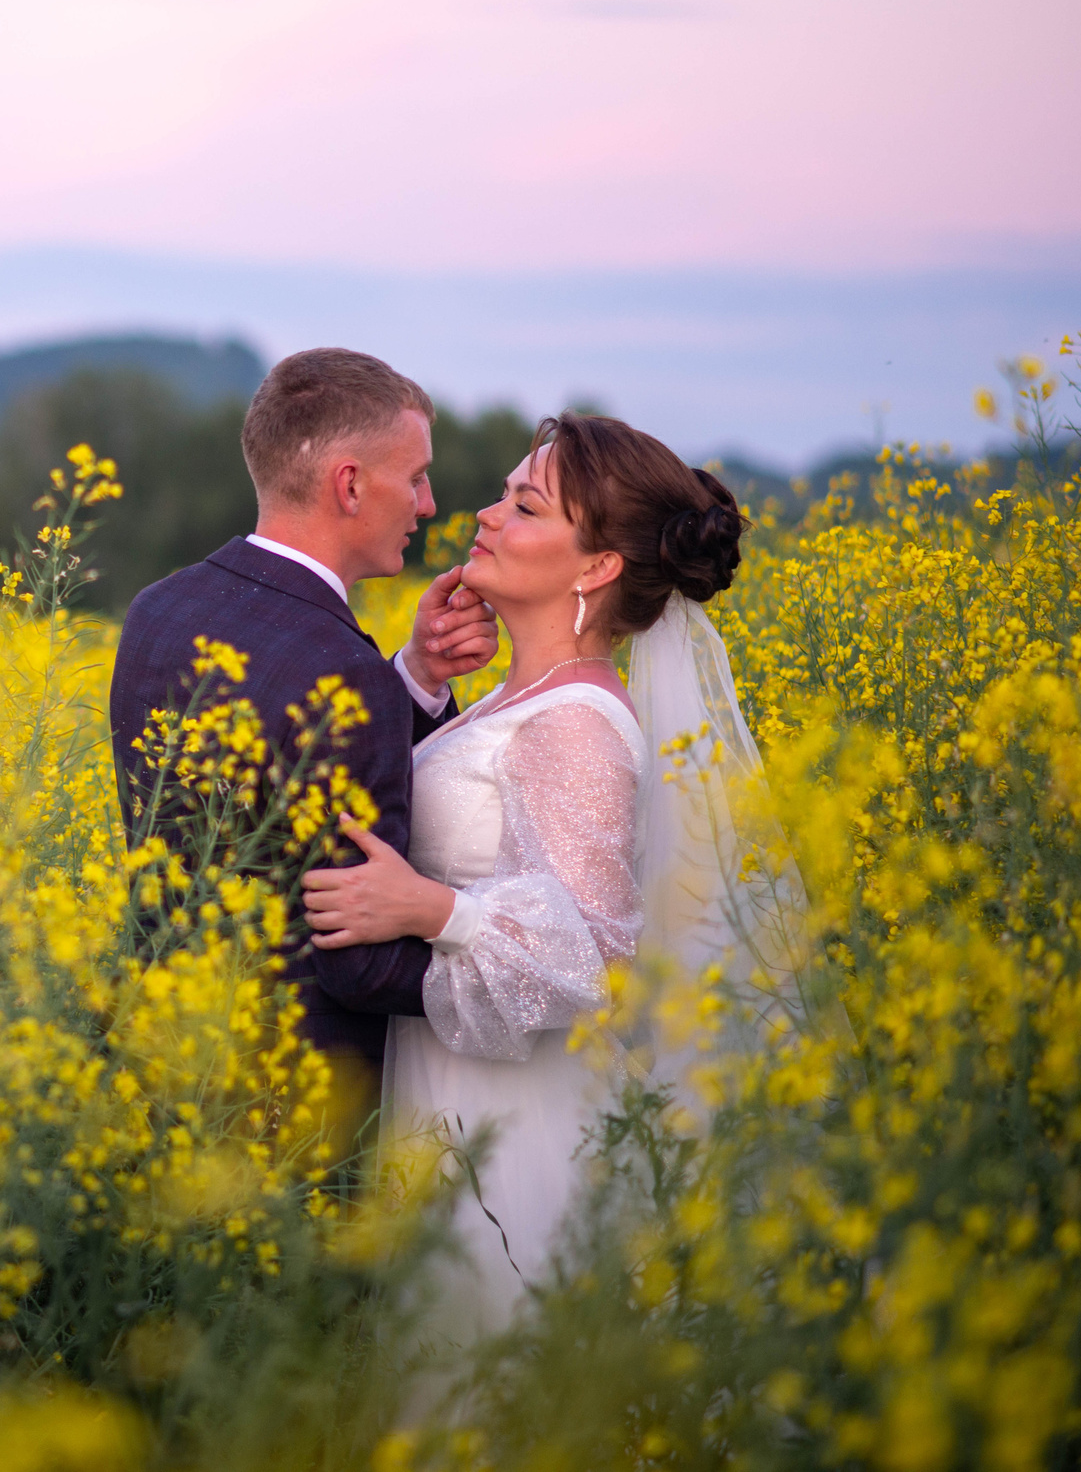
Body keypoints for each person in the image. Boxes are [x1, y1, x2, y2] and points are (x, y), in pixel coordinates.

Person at [296, 410, 751, 1336]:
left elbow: (595, 959)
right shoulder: (521, 700)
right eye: (503, 492)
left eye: (526, 505)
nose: (487, 514)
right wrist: (420, 671)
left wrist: (431, 909)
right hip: (457, 1098)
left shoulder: (573, 723)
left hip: (512, 1128)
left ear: (597, 567)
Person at [109, 348, 501, 1132]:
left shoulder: (159, 608)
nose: (427, 504)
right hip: (291, 1108)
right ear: (350, 485)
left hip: (155, 1059)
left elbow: (272, 752)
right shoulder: (338, 669)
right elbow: (355, 962)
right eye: (415, 476)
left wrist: (417, 674)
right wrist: (504, 963)